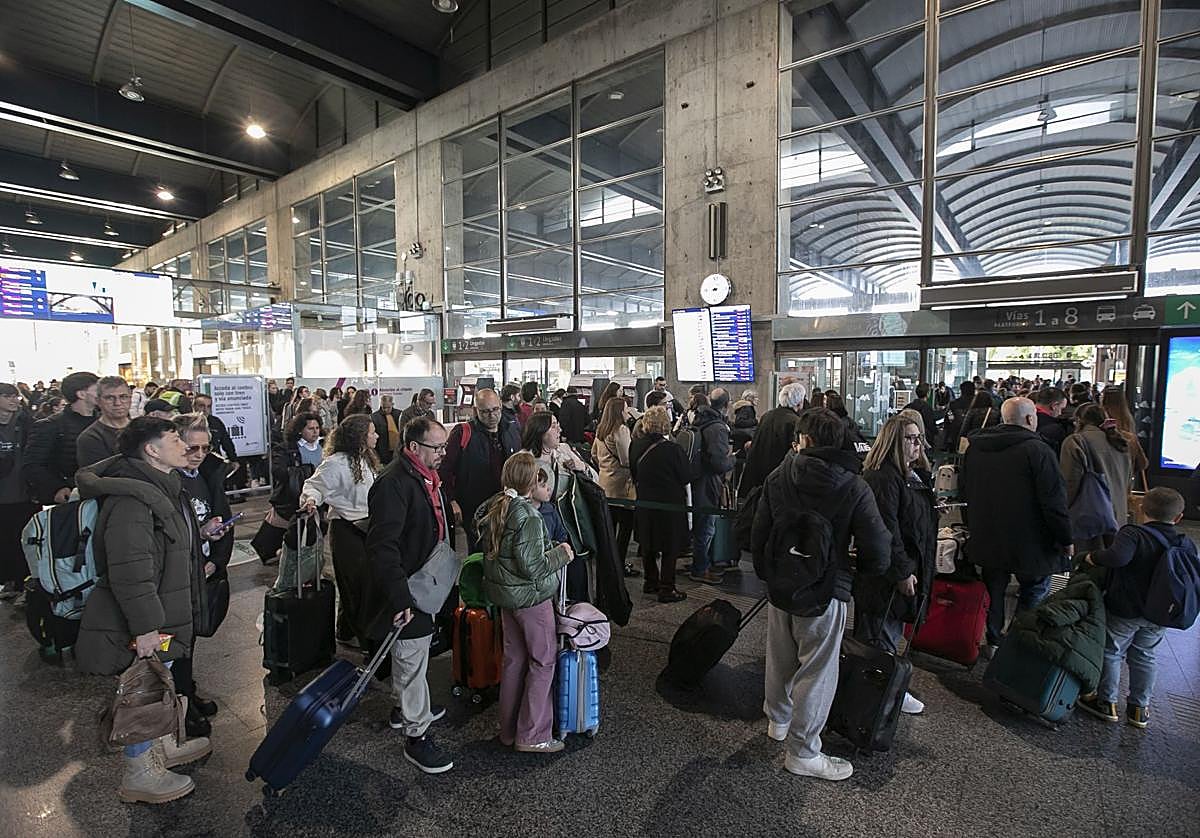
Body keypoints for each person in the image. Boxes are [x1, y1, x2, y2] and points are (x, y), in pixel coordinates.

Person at [74, 417, 216, 804]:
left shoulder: (163, 486)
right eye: (174, 438)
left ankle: (161, 746)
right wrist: (146, 628)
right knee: (143, 689)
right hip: (149, 616)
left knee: (162, 680)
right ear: (151, 450)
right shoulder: (132, 499)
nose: (184, 443)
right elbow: (130, 572)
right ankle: (139, 773)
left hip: (164, 608)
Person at [751, 408, 890, 781]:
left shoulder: (779, 475)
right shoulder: (853, 484)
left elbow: (757, 534)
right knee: (818, 669)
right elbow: (877, 548)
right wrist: (858, 575)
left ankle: (777, 721)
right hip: (827, 589)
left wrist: (771, 574)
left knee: (779, 655)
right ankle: (803, 752)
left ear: (805, 440)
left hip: (782, 584)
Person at [366, 417, 454, 775]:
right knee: (411, 658)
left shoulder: (423, 476)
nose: (443, 454)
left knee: (412, 654)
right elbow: (382, 547)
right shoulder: (394, 483)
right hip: (406, 589)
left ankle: (403, 710)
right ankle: (417, 736)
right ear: (414, 447)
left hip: (424, 583)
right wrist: (400, 598)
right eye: (438, 448)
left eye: (445, 447)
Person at [476, 453, 575, 753]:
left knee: (514, 661)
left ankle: (507, 731)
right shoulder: (529, 517)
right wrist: (561, 554)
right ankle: (533, 735)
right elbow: (532, 566)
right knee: (543, 662)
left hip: (507, 598)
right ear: (532, 483)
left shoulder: (497, 507)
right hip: (531, 599)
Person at [960, 398, 1073, 650]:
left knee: (994, 592)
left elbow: (964, 491)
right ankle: (1016, 644)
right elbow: (1053, 501)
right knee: (1033, 592)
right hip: (1032, 542)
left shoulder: (976, 448)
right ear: (1030, 419)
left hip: (988, 536)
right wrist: (1065, 538)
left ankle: (992, 640)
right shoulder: (1039, 451)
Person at [1078, 487, 1194, 729]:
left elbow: (1117, 558)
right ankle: (1139, 708)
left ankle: (1105, 701)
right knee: (1145, 655)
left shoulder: (1133, 533)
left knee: (1112, 651)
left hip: (1126, 607)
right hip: (1160, 612)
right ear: (1179, 517)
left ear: (1142, 510)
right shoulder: (1184, 542)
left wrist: (1092, 558)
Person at [856, 415, 937, 716]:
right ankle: (883, 690)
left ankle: (884, 687)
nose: (918, 444)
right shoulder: (883, 479)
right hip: (886, 574)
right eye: (911, 438)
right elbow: (886, 530)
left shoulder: (910, 475)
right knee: (880, 634)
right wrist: (902, 570)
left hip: (905, 568)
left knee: (887, 630)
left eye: (919, 438)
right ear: (893, 442)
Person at [170, 413, 234, 737]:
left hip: (203, 568)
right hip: (179, 574)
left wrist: (217, 559)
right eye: (192, 448)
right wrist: (201, 532)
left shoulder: (207, 475)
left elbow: (217, 516)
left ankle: (187, 693)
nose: (198, 454)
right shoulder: (168, 480)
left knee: (190, 641)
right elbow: (167, 533)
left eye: (205, 448)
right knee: (179, 643)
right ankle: (180, 704)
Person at [298, 414, 380, 651]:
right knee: (355, 585)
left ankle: (345, 631)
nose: (376, 435)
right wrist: (311, 500)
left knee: (358, 584)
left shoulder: (365, 459)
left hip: (365, 528)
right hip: (347, 531)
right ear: (360, 437)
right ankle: (363, 638)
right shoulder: (336, 463)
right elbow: (313, 486)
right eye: (372, 432)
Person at [439, 388, 522, 553]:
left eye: (495, 410)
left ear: (500, 405)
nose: (492, 416)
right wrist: (452, 500)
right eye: (485, 412)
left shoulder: (511, 429)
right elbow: (444, 469)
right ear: (476, 411)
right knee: (480, 553)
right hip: (475, 507)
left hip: (507, 504)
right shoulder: (463, 433)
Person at [629, 405, 690, 602]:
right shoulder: (673, 449)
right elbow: (685, 476)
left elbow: (634, 472)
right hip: (669, 504)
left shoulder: (635, 445)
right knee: (670, 547)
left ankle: (650, 580)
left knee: (648, 542)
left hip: (645, 500)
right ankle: (667, 587)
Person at [1061, 403, 1135, 552]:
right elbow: (1128, 480)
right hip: (1118, 514)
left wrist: (1062, 513)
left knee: (1088, 564)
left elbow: (1070, 482)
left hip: (1089, 514)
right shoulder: (1120, 442)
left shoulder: (1075, 441)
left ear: (1079, 420)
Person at [24, 371, 98, 505]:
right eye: (97, 389)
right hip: (71, 495)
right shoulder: (51, 425)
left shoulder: (103, 421)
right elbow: (33, 464)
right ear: (81, 394)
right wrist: (57, 487)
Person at [687, 390, 734, 583]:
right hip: (708, 484)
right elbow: (718, 463)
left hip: (696, 481)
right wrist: (733, 460)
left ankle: (701, 562)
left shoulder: (699, 419)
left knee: (701, 526)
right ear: (726, 405)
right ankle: (700, 568)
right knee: (706, 528)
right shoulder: (718, 428)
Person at [0, 384, 38, 597]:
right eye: (7, 396)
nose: (14, 400)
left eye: (15, 395)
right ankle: (9, 581)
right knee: (4, 540)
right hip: (3, 493)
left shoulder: (26, 423)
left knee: (28, 540)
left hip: (25, 493)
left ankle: (26, 581)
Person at [593, 396, 637, 574]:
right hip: (622, 488)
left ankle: (608, 562)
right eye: (626, 409)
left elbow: (594, 455)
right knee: (625, 530)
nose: (628, 412)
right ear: (619, 411)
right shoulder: (621, 430)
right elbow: (627, 459)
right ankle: (619, 564)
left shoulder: (601, 430)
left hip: (605, 484)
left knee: (609, 529)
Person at [740, 383, 805, 499]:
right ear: (799, 403)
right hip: (778, 482)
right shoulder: (795, 421)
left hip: (756, 478)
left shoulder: (767, 416)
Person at [74, 377, 131, 468]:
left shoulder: (143, 428)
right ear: (98, 401)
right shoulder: (90, 438)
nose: (118, 403)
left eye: (123, 397)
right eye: (109, 398)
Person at [1100, 387, 1149, 478]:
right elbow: (1143, 463)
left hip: (1106, 474)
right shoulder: (1128, 419)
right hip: (1125, 476)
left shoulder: (1102, 420)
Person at [1034, 387, 1070, 457]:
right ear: (1054, 406)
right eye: (1061, 409)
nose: (1060, 413)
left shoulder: (1022, 417)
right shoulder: (1055, 429)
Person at [942, 381, 975, 452]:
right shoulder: (977, 405)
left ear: (961, 390)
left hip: (956, 436)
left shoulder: (953, 404)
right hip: (974, 437)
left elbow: (949, 419)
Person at [371, 395, 404, 465]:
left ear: (392, 404)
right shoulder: (374, 417)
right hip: (382, 451)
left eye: (388, 407)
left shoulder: (400, 414)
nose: (385, 410)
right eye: (383, 407)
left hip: (398, 450)